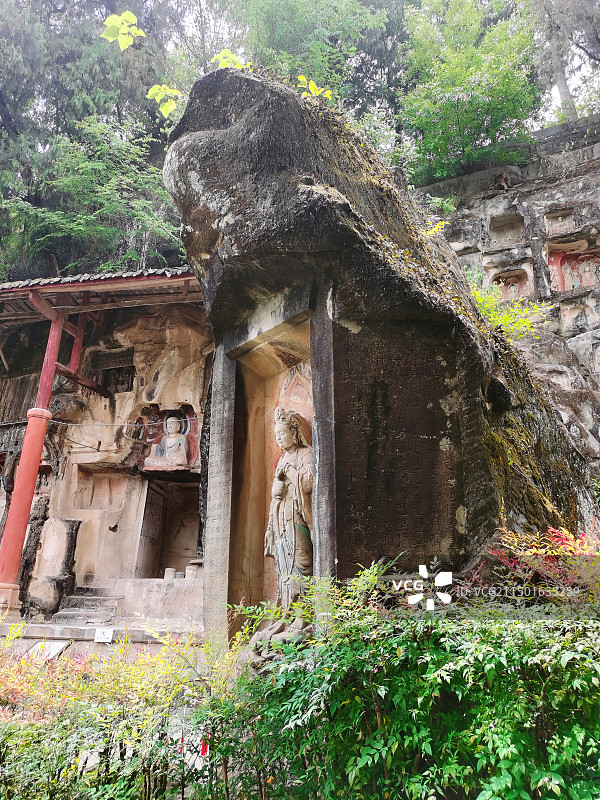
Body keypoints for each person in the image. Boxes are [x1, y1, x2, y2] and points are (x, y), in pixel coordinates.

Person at [264, 406, 313, 608]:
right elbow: (275, 495)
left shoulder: (305, 454)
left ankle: (305, 614)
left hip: (297, 516)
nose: (279, 438)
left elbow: (309, 482)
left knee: (302, 563)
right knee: (284, 567)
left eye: (282, 433)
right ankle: (289, 611)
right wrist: (269, 528)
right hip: (280, 519)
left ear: (294, 432)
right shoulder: (282, 459)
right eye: (276, 434)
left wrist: (291, 472)